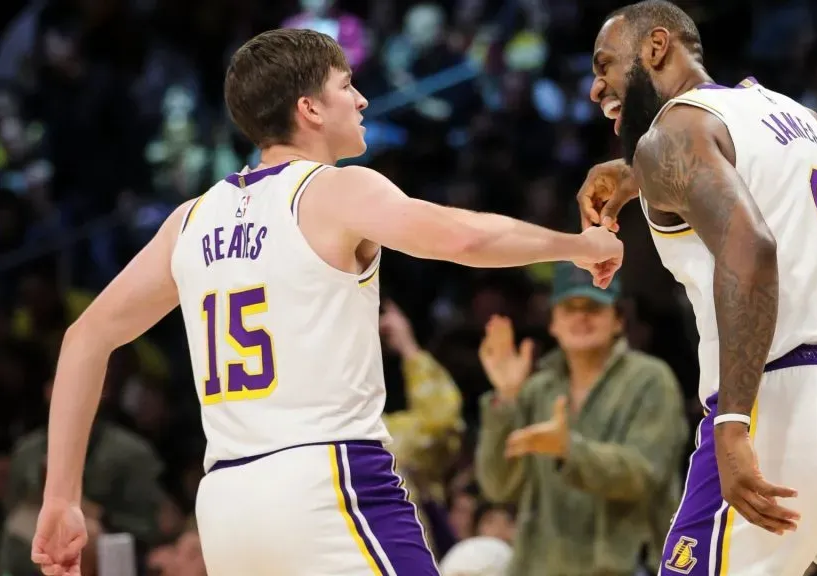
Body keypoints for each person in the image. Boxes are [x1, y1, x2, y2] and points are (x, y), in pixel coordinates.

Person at [30, 28, 623, 576]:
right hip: (325, 480)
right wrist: (573, 245)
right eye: (347, 86)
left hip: (226, 505)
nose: (363, 100)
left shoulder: (189, 220)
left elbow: (85, 338)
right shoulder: (336, 190)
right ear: (309, 109)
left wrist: (61, 497)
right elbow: (462, 237)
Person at [577, 1, 817, 575]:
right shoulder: (792, 113)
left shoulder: (671, 137)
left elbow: (751, 248)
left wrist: (733, 422)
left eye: (605, 64)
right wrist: (637, 177)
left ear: (656, 48)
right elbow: (749, 172)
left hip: (788, 402)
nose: (595, 86)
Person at [475, 263, 685, 576]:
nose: (581, 317)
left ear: (618, 320)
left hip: (627, 568)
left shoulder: (651, 380)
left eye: (593, 307)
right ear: (553, 323)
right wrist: (505, 399)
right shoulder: (537, 389)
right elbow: (497, 486)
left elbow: (643, 474)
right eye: (569, 308)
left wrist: (569, 450)